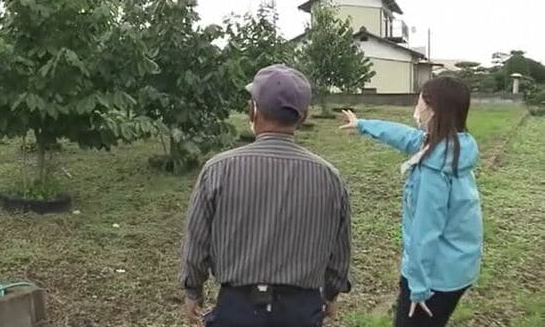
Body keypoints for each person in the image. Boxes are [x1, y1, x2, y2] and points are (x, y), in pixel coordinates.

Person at [179, 64, 352, 327]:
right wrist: (332, 293)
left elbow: (197, 241)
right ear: (303, 116)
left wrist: (193, 290)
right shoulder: (330, 177)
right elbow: (340, 251)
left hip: (237, 309)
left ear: (253, 110)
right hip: (301, 310)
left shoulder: (218, 169)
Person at [340, 76, 483, 327]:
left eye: (420, 103)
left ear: (432, 110)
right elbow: (402, 135)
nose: (416, 110)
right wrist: (362, 124)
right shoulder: (452, 147)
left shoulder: (433, 171)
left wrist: (417, 287)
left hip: (434, 280)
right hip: (459, 267)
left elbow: (424, 233)